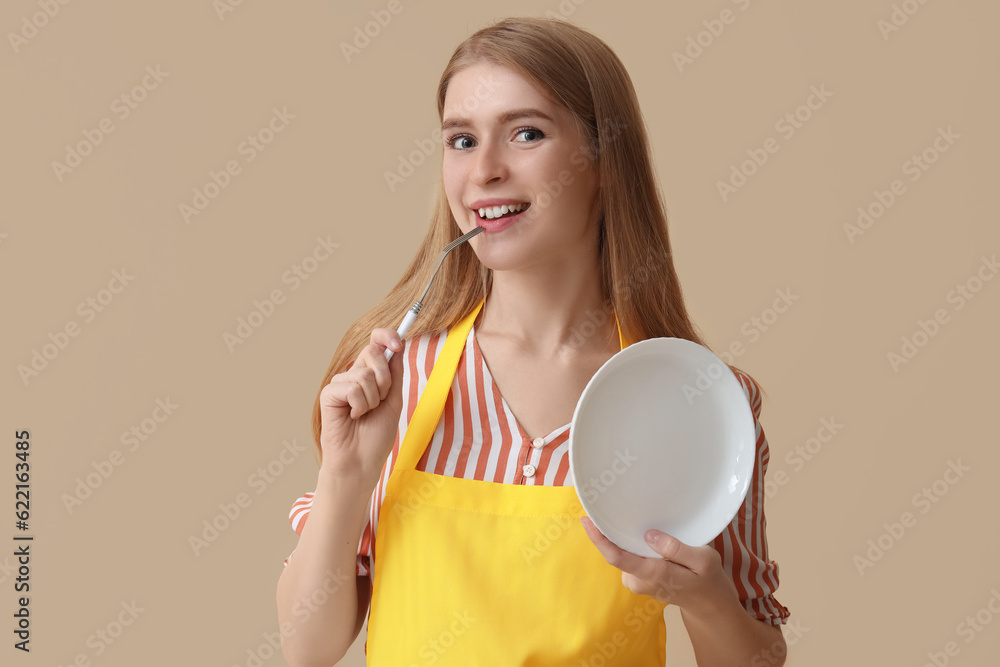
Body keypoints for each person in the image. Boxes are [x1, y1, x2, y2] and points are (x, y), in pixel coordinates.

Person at [276, 16, 789, 666]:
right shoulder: (394, 377)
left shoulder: (700, 402)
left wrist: (705, 596)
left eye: (526, 133)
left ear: (604, 161)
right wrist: (345, 476)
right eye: (461, 140)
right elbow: (304, 650)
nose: (485, 170)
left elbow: (759, 658)